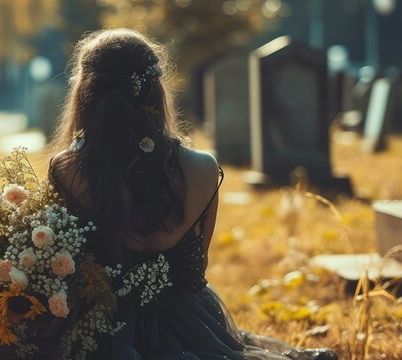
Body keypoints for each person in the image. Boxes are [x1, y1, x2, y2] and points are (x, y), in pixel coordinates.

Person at [48, 29, 338, 360]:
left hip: (101, 333)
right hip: (192, 329)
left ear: (84, 93)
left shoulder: (65, 170)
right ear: (156, 90)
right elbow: (198, 270)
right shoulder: (202, 168)